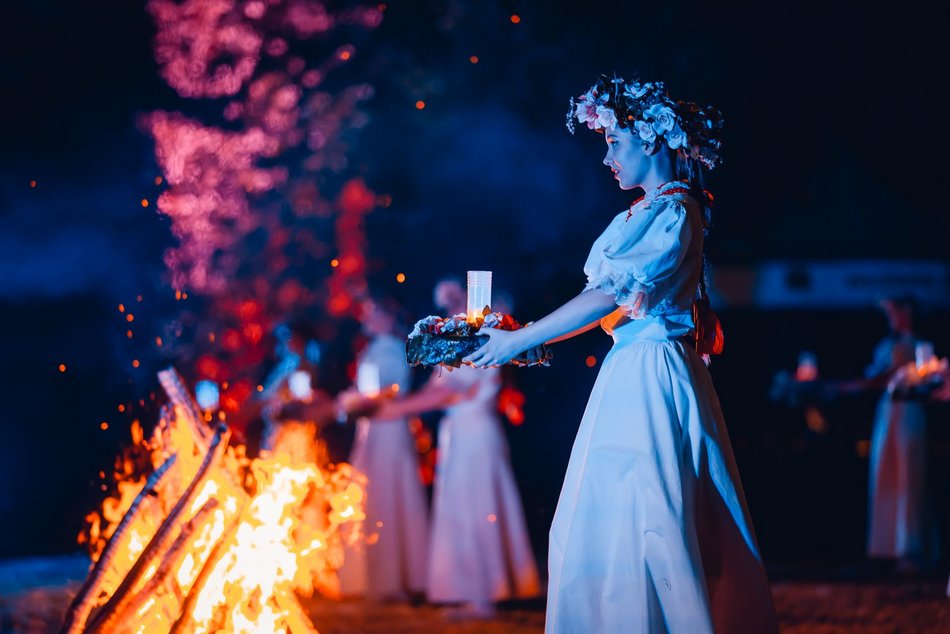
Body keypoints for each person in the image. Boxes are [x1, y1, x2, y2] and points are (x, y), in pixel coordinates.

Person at [464, 77, 778, 632]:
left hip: (654, 375)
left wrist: (523, 339)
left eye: (615, 143)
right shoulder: (639, 214)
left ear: (652, 141)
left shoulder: (675, 211)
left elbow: (608, 295)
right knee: (607, 517)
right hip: (627, 371)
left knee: (650, 514)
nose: (606, 157)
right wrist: (522, 335)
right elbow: (603, 307)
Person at [373, 278, 541, 618]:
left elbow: (448, 391)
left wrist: (396, 409)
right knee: (463, 509)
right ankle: (472, 591)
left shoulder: (479, 335)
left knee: (477, 508)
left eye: (456, 297)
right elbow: (442, 387)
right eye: (446, 300)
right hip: (462, 432)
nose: (449, 304)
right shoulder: (460, 338)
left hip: (476, 433)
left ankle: (484, 595)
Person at [336, 296, 429, 601]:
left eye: (375, 312)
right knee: (371, 496)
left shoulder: (394, 348)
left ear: (389, 316)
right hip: (372, 429)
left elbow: (391, 391)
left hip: (389, 428)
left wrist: (362, 402)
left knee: (389, 496)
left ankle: (394, 579)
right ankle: (371, 577)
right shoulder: (372, 348)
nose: (369, 318)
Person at [859, 297, 936, 569]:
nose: (891, 316)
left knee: (908, 475)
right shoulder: (886, 345)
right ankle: (885, 546)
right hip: (888, 411)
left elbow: (926, 379)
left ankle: (910, 546)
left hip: (909, 410)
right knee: (884, 473)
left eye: (894, 311)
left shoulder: (919, 346)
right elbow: (875, 376)